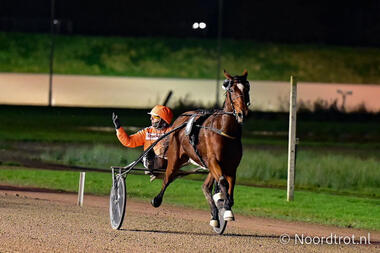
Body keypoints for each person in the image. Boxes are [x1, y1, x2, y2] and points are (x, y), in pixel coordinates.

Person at [112, 105, 173, 182]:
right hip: (151, 162)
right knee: (153, 152)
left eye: (155, 117)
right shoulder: (147, 132)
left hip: (169, 162)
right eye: (151, 116)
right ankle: (154, 170)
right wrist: (118, 128)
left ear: (163, 120)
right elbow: (129, 142)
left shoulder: (172, 131)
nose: (151, 118)